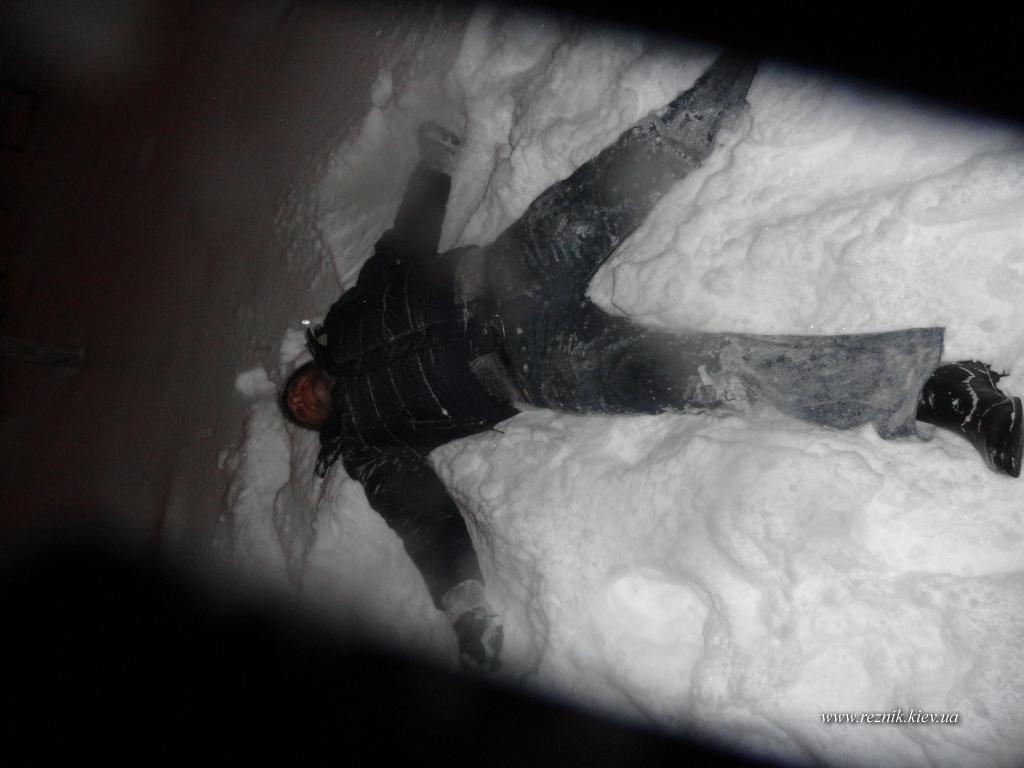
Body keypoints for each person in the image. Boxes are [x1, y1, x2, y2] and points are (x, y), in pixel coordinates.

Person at [279, 54, 1023, 672]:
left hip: (509, 272)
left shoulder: (349, 319)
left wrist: (435, 166)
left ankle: (725, 87)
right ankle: (937, 391)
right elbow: (423, 520)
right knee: (712, 377)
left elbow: (403, 246)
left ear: (306, 370)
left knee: (614, 184)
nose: (305, 400)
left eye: (297, 390)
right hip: (540, 367)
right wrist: (465, 606)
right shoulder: (370, 447)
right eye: (301, 413)